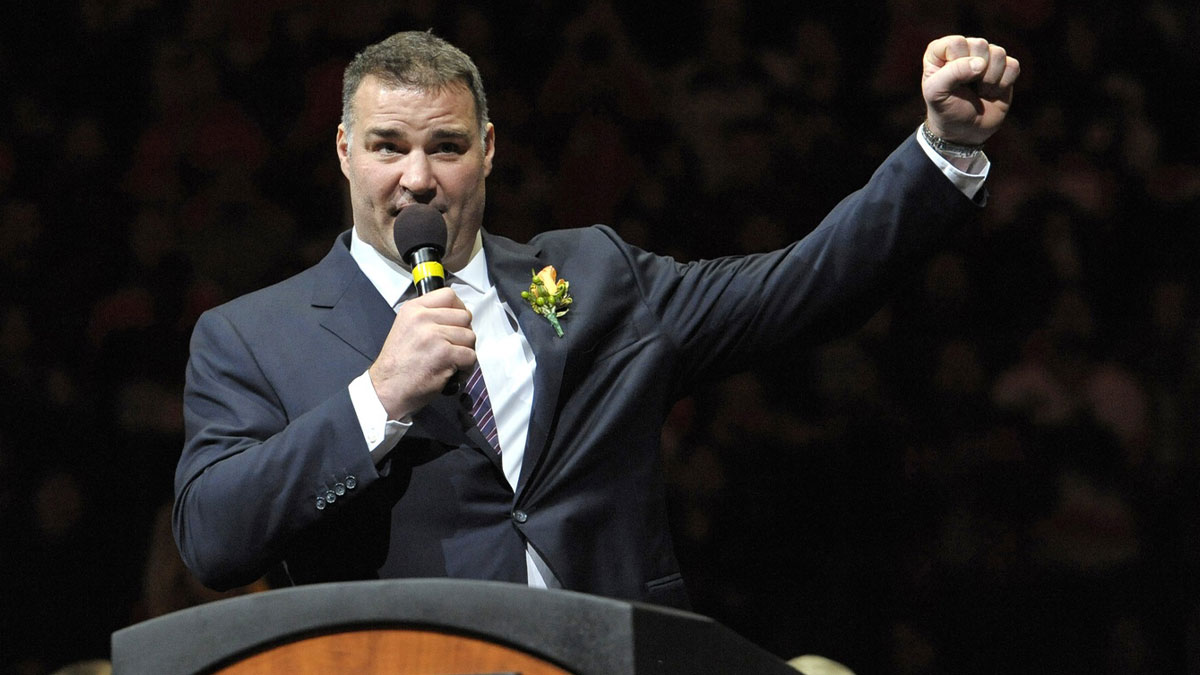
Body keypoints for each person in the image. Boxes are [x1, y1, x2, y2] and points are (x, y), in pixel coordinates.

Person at [174, 30, 1019, 609]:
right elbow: (213, 537)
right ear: (344, 151)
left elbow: (800, 285)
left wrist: (940, 149)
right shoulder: (253, 335)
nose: (420, 179)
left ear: (490, 150)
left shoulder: (589, 277)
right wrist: (376, 400)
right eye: (389, 145)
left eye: (448, 146)